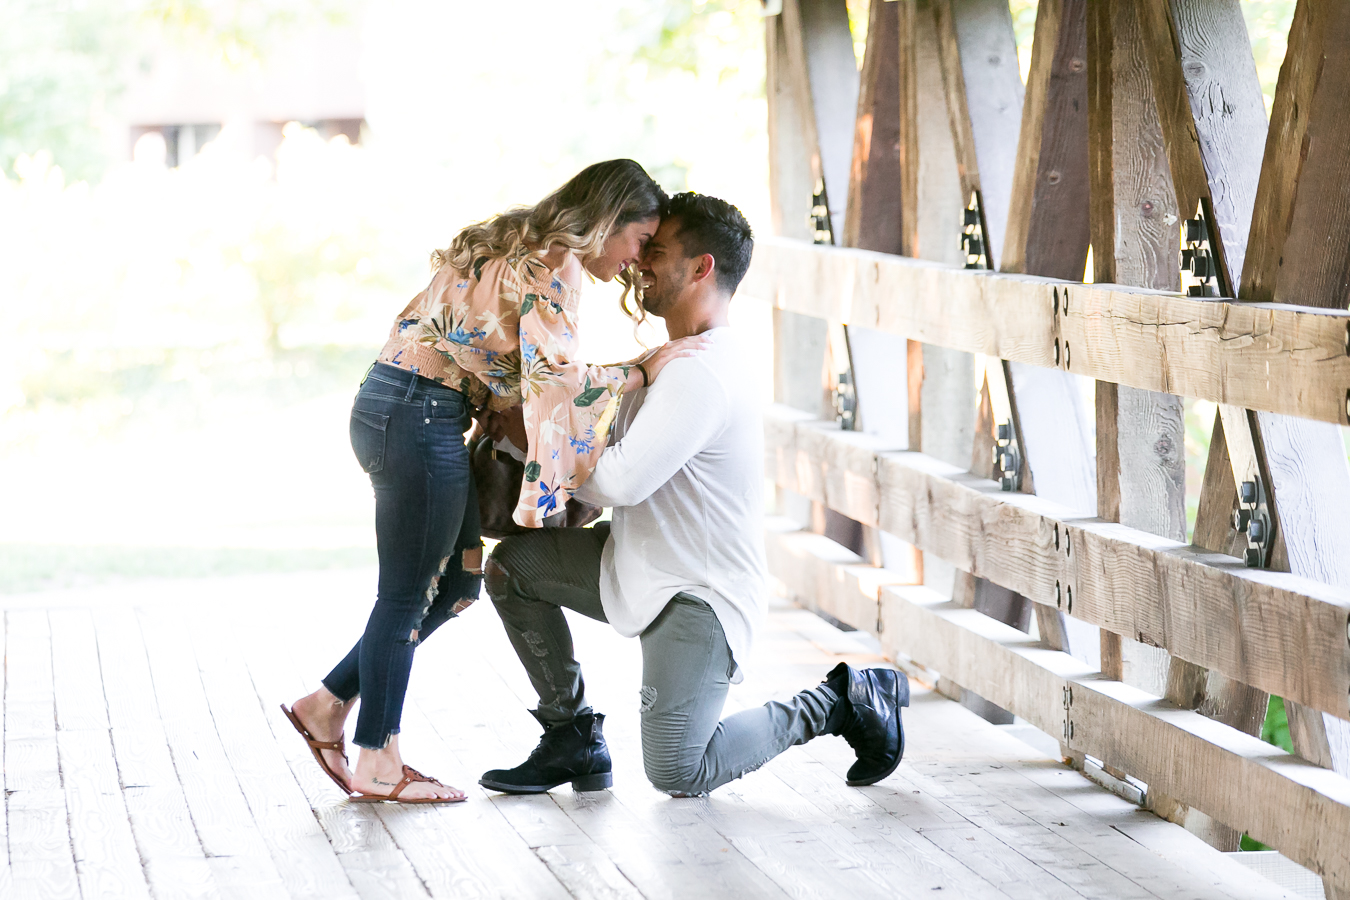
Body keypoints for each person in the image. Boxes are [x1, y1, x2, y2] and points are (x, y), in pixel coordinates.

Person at [281, 160, 707, 803]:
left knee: (455, 585)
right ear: (606, 221)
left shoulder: (515, 235)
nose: (633, 262)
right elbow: (555, 383)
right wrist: (645, 369)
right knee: (405, 596)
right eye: (639, 242)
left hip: (405, 408)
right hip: (416, 414)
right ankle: (378, 763)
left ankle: (326, 705)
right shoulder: (553, 263)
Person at [479, 192, 908, 799]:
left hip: (697, 594)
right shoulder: (674, 359)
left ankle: (839, 702)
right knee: (511, 570)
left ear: (702, 268)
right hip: (633, 563)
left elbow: (619, 481)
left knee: (680, 771)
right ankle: (570, 734)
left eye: (656, 252)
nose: (637, 263)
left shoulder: (702, 372)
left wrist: (541, 441)